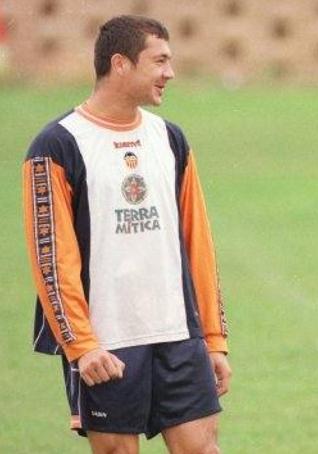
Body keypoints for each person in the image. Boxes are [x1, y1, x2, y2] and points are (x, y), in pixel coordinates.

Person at [22, 15, 231, 454]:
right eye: (159, 60)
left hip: (178, 331)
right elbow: (51, 257)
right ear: (121, 64)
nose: (169, 72)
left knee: (203, 449)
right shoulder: (57, 146)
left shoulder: (170, 139)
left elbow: (199, 243)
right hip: (107, 339)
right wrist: (80, 345)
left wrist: (213, 338)